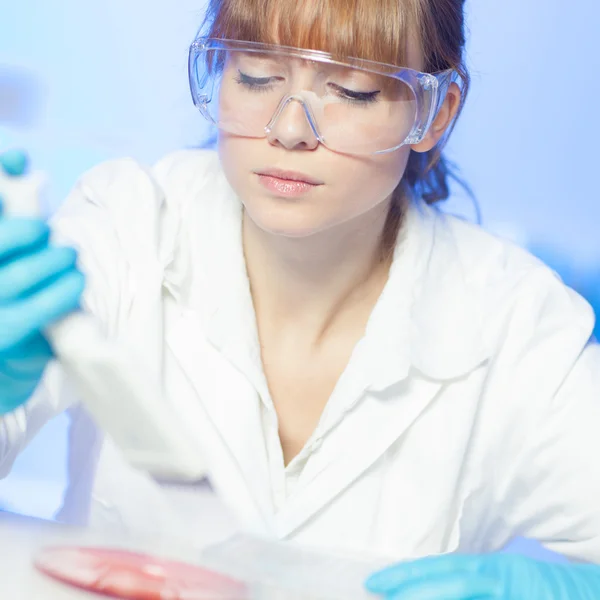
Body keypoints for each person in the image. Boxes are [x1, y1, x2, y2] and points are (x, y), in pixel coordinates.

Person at [1, 0, 600, 597]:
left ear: (435, 112)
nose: (288, 130)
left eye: (353, 90)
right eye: (256, 76)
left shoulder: (516, 325)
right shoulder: (126, 226)